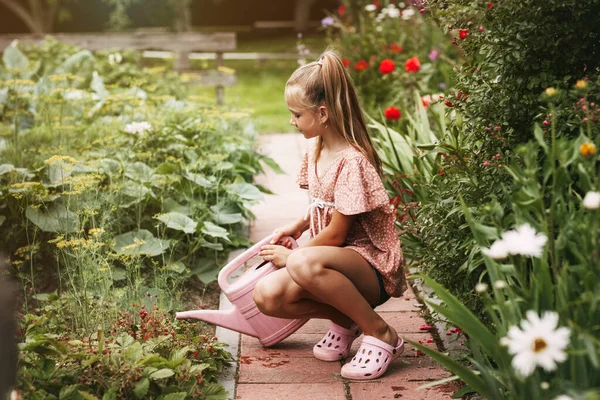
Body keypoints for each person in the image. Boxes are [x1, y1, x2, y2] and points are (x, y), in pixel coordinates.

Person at [254, 49, 407, 380]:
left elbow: (337, 234)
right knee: (266, 295)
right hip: (336, 262)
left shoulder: (351, 161)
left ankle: (381, 333)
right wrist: (297, 226)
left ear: (322, 113)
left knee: (299, 263)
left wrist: (291, 255)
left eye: (296, 115)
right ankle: (350, 317)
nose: (291, 121)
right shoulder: (316, 149)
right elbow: (321, 205)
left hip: (370, 267)